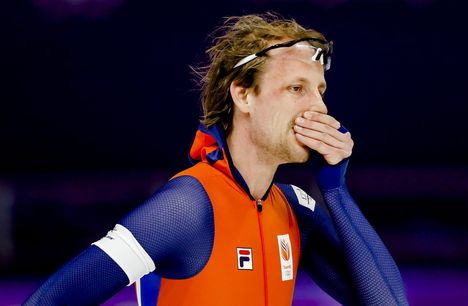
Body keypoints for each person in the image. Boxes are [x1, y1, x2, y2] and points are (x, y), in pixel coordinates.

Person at [24, 13, 408, 306]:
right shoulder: (187, 207)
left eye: (320, 90)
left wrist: (336, 189)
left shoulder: (294, 209)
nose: (319, 106)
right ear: (243, 96)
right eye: (297, 88)